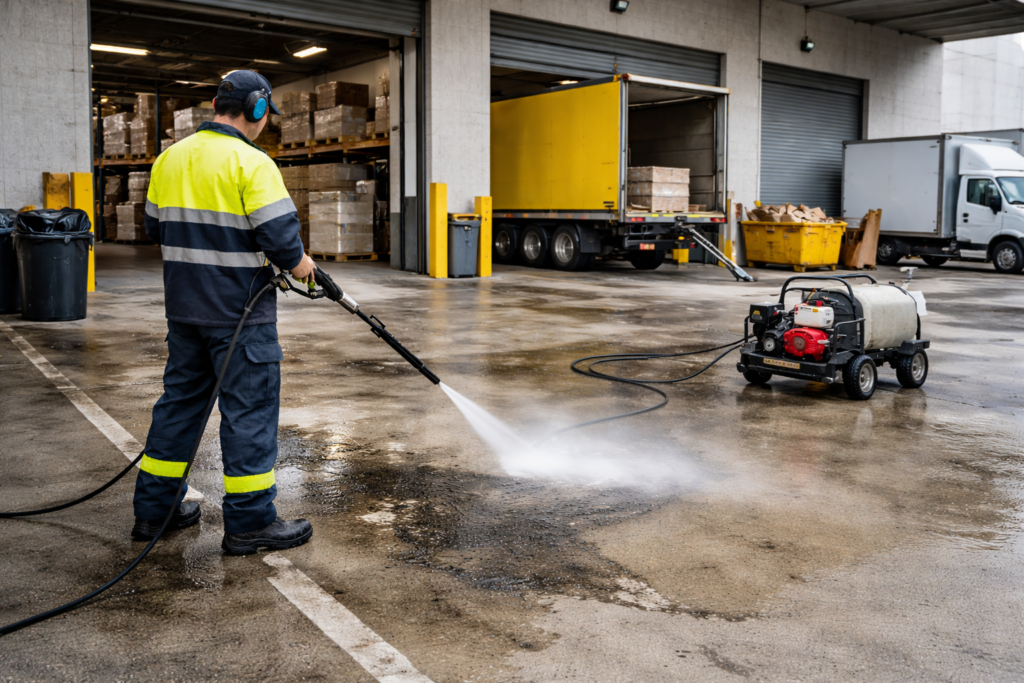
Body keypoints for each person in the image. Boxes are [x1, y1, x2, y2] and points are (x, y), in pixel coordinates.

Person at [131, 70, 318, 555]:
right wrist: (303, 267)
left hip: (184, 312)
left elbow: (154, 227)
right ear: (257, 109)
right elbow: (280, 240)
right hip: (239, 315)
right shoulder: (251, 162)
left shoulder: (170, 158)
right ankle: (252, 522)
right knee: (249, 413)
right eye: (265, 114)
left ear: (217, 105)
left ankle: (156, 510)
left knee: (179, 407)